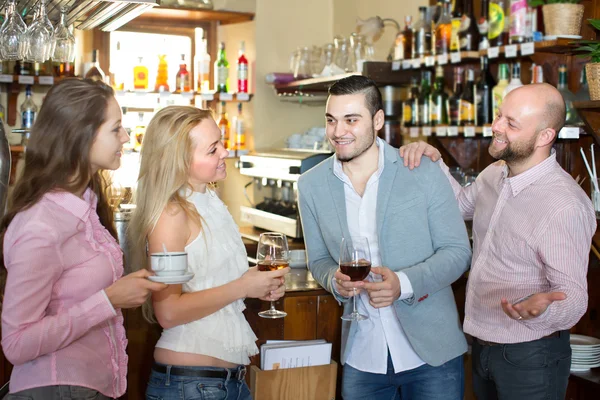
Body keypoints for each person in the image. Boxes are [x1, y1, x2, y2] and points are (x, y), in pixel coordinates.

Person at [400, 83, 596, 400]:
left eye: (511, 123)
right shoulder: (496, 172)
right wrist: (434, 160)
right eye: (499, 116)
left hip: (532, 355)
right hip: (482, 343)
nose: (496, 127)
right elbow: (460, 206)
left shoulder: (563, 205)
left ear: (545, 136)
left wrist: (542, 310)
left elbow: (574, 298)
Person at [297, 75, 472, 400]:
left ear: (377, 120)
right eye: (331, 120)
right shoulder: (310, 185)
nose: (338, 131)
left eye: (351, 119)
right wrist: (334, 281)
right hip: (362, 356)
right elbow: (318, 260)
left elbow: (458, 252)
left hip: (432, 355)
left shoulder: (421, 170)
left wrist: (401, 284)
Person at [0, 78, 167, 400]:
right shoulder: (40, 224)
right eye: (116, 129)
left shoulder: (86, 208)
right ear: (82, 135)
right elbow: (17, 343)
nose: (126, 137)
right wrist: (109, 300)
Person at [128, 106, 289, 400]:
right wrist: (243, 286)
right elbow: (168, 311)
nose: (225, 153)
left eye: (221, 142)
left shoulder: (209, 199)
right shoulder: (170, 214)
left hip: (227, 382)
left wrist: (254, 287)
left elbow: (214, 286)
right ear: (179, 161)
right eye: (212, 149)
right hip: (191, 385)